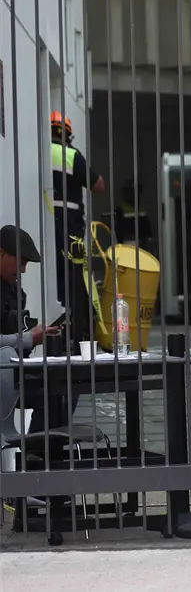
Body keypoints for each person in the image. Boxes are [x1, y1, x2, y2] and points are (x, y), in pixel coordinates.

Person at [0, 226, 62, 433]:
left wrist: (37, 331)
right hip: (4, 375)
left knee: (64, 387)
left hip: (15, 370)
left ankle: (40, 454)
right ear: (1, 254)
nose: (23, 270)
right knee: (54, 393)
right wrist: (27, 338)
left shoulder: (12, 289)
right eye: (22, 263)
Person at [49, 111, 104, 339]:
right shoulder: (70, 155)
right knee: (75, 275)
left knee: (52, 273)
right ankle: (77, 328)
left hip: (46, 222)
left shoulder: (38, 150)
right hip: (70, 225)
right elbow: (98, 185)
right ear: (68, 135)